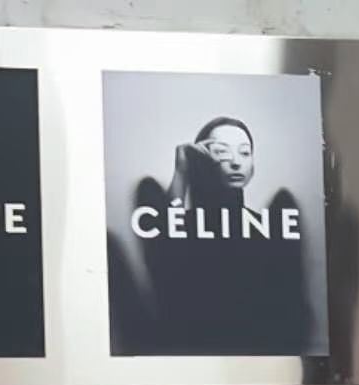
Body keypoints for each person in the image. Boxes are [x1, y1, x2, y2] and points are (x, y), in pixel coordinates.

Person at [108, 113, 311, 357]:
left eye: (245, 152)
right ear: (200, 161)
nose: (235, 162)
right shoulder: (180, 233)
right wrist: (182, 172)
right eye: (222, 152)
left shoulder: (269, 230)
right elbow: (168, 231)